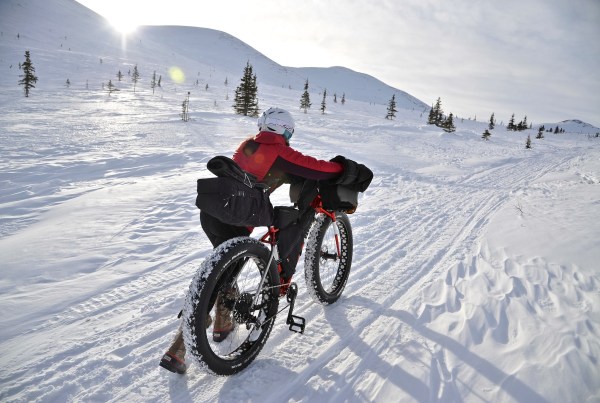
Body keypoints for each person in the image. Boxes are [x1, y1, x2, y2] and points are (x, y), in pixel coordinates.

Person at [159, 107, 344, 374]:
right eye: (289, 132)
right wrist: (342, 168)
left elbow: (260, 171)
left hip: (212, 213)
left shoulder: (249, 144)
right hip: (237, 218)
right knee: (220, 277)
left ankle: (223, 323)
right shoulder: (280, 150)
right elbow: (316, 168)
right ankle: (177, 350)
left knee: (224, 270)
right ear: (284, 130)